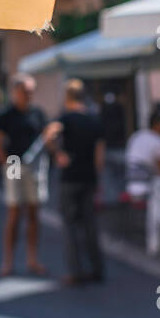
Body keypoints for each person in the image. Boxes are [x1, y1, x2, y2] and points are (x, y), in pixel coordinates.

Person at [0, 73, 56, 277]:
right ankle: (8, 261)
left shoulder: (38, 113)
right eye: (26, 91)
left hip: (35, 165)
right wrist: (8, 165)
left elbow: (47, 137)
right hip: (14, 164)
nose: (29, 95)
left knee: (33, 213)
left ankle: (32, 259)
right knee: (14, 213)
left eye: (31, 91)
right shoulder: (6, 115)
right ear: (16, 92)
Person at [50, 79, 105, 285]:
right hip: (89, 178)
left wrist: (58, 154)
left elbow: (49, 135)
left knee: (70, 226)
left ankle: (76, 272)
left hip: (70, 178)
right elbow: (100, 155)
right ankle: (97, 269)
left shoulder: (64, 119)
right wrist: (97, 179)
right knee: (90, 225)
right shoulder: (94, 120)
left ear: (67, 97)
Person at [124, 108, 160, 200]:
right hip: (146, 187)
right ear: (157, 125)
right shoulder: (157, 140)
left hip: (130, 184)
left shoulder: (137, 135)